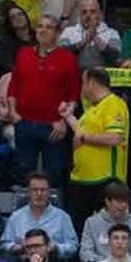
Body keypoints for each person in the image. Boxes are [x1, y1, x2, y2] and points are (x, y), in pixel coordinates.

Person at [8, 16, 80, 192]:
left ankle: (55, 215)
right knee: (23, 174)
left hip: (53, 125)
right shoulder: (23, 53)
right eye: (40, 26)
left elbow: (74, 95)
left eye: (49, 27)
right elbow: (13, 86)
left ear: (57, 32)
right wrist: (13, 113)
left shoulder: (67, 58)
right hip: (24, 122)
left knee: (54, 176)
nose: (43, 30)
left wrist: (64, 121)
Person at [64, 67, 129, 234]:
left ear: (91, 82)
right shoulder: (91, 110)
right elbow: (82, 132)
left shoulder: (113, 104)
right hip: (83, 178)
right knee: (80, 229)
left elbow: (115, 137)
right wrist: (68, 117)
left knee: (105, 231)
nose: (81, 88)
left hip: (105, 179)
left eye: (83, 83)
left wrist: (84, 138)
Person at [0, 173, 79, 259]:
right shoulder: (16, 217)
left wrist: (55, 248)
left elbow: (73, 246)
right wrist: (18, 247)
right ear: (29, 192)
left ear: (49, 192)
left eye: (43, 190)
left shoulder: (62, 217)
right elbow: (4, 244)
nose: (39, 194)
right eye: (35, 190)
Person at [81, 181, 131, 262]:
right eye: (119, 201)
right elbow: (85, 253)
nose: (123, 205)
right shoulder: (91, 223)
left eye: (125, 201)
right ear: (107, 201)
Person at [59, 0, 122, 69]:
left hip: (102, 76)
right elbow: (61, 54)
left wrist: (95, 38)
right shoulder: (68, 32)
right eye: (84, 12)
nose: (88, 15)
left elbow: (117, 57)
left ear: (100, 14)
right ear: (80, 15)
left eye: (92, 11)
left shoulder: (112, 33)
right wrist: (82, 43)